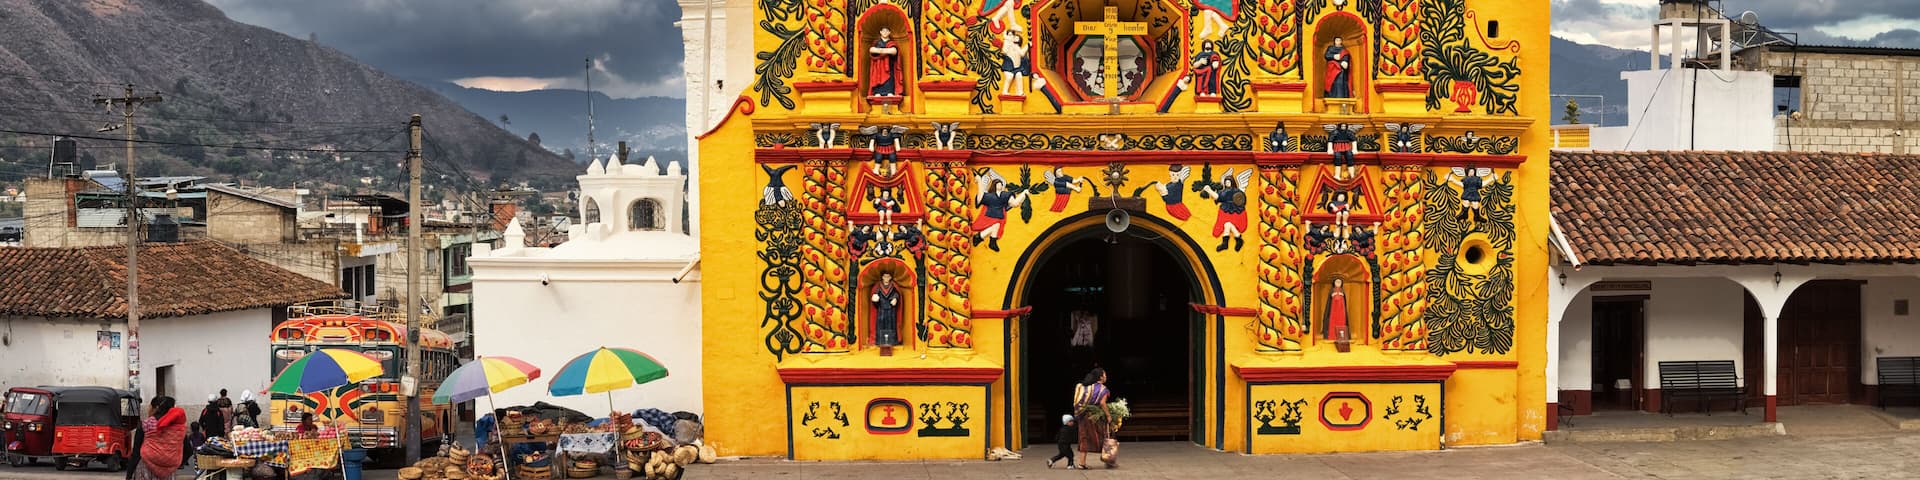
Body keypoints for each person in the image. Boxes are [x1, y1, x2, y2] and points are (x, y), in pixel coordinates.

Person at [132, 396, 185, 480]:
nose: (148, 409)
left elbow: (135, 454)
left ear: (156, 408)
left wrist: (129, 475)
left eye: (150, 407)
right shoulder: (178, 428)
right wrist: (173, 463)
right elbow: (188, 450)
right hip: (169, 473)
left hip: (146, 468)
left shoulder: (146, 424)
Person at [1074, 368, 1112, 470]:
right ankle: (1109, 461)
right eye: (1105, 375)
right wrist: (1108, 415)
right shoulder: (1103, 389)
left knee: (1084, 438)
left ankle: (1082, 463)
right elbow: (1102, 403)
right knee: (1104, 437)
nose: (1106, 377)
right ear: (1100, 377)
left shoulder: (1085, 387)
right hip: (1094, 417)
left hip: (1083, 416)